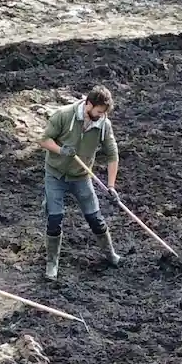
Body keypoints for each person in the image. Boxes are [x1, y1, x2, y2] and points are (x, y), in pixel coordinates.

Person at [38, 85, 121, 281]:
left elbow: (112, 155)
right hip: (55, 175)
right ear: (88, 105)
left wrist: (111, 186)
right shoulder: (64, 115)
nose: (101, 116)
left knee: (95, 218)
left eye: (104, 113)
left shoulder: (103, 125)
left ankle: (111, 255)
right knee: (54, 219)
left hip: (81, 177)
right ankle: (52, 263)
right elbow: (43, 139)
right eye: (99, 111)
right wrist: (61, 150)